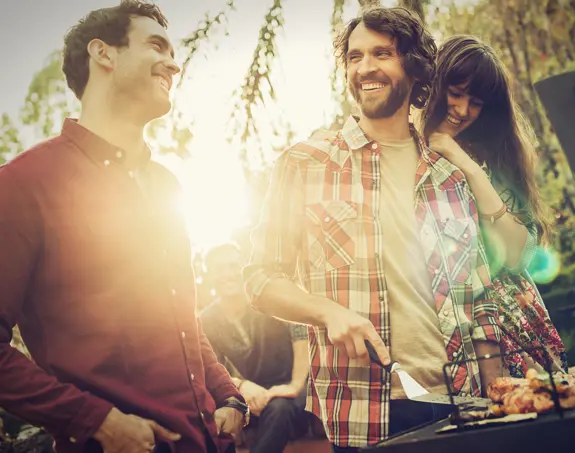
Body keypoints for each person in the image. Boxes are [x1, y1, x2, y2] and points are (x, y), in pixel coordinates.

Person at [243, 7, 504, 452]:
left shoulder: (447, 175)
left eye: (382, 53)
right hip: (366, 412)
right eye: (354, 57)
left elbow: (478, 300)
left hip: (464, 405)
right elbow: (260, 278)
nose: (365, 67)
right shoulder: (305, 163)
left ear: (415, 67)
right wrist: (327, 312)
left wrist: (500, 398)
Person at [0, 2, 247, 453]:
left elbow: (181, 318)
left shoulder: (166, 185)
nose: (174, 63)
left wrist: (228, 393)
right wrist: (96, 421)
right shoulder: (22, 184)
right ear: (103, 54)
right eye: (156, 45)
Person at [420, 34, 568, 377]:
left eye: (476, 102)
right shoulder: (402, 154)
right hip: (434, 323)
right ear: (433, 85)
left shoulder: (491, 157)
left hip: (507, 320)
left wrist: (465, 164)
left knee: (535, 411)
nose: (461, 109)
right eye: (455, 93)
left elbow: (519, 255)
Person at [200, 243, 311, 453]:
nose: (228, 274)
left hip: (291, 390)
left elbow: (301, 330)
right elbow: (207, 367)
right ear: (209, 275)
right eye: (219, 268)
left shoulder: (267, 301)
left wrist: (295, 384)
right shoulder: (206, 320)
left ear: (244, 269)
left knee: (279, 407)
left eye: (233, 266)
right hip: (249, 392)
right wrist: (240, 386)